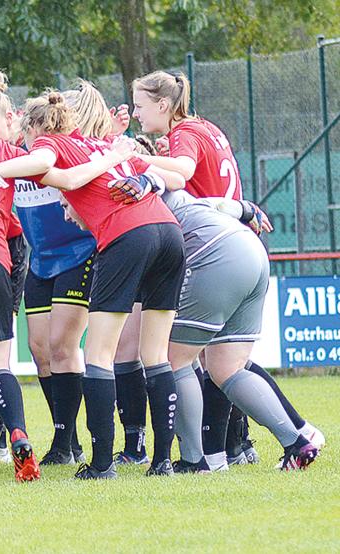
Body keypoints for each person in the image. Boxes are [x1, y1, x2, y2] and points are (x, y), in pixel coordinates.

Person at [131, 70, 326, 467]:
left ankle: (197, 460)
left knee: (172, 359)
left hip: (214, 249)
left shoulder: (182, 135)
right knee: (225, 366)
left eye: (139, 105)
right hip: (244, 244)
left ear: (163, 105)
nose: (136, 113)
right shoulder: (207, 128)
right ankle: (295, 438)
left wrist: (130, 156)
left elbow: (182, 172)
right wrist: (243, 208)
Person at [17, 90, 187, 479]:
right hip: (168, 231)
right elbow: (179, 175)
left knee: (98, 354)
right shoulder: (102, 143)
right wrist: (143, 175)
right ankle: (162, 461)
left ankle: (102, 463)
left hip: (126, 236)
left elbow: (49, 167)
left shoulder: (52, 143)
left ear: (37, 127)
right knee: (156, 355)